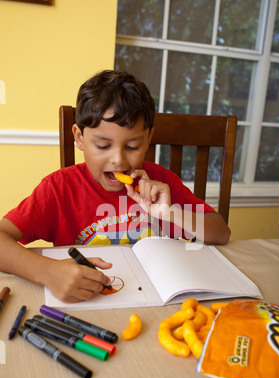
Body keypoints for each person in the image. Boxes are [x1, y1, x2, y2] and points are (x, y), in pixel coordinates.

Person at [0, 70, 230, 303]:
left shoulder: (161, 183)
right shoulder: (58, 189)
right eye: (102, 145)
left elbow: (221, 233)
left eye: (131, 147)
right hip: (91, 302)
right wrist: (48, 272)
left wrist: (170, 212)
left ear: (148, 139)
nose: (118, 160)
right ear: (79, 137)